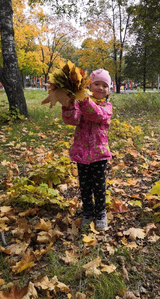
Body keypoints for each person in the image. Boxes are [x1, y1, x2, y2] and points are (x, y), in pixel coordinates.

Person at [61, 69, 112, 231]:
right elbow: (73, 120)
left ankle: (100, 212)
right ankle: (88, 212)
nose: (100, 88)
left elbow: (97, 115)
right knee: (85, 186)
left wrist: (83, 101)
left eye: (105, 85)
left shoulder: (107, 106)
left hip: (99, 154)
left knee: (99, 186)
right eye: (97, 84)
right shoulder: (81, 103)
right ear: (89, 85)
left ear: (108, 89)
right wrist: (69, 104)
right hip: (82, 153)